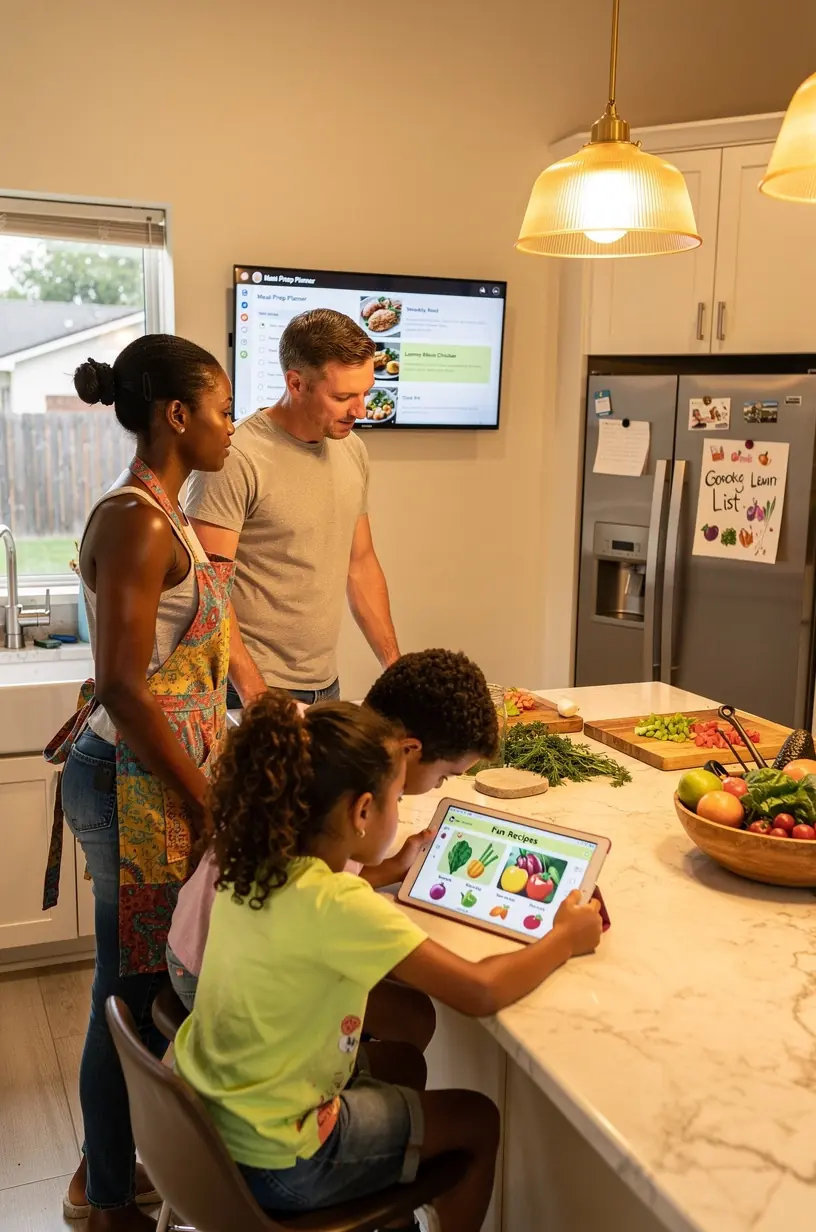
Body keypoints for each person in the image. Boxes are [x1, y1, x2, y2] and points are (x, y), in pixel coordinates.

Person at [173, 693, 602, 1232]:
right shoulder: (339, 904)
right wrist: (564, 938)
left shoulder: (256, 861)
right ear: (362, 811)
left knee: (403, 1065)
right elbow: (480, 991)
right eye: (397, 800)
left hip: (206, 1126)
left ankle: (391, 1198)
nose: (399, 814)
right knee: (476, 1119)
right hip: (277, 1160)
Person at [41, 334, 241, 1232]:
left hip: (153, 777)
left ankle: (110, 1170)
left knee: (136, 981)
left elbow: (180, 665)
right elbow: (125, 686)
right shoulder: (139, 521)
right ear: (177, 416)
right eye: (222, 409)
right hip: (131, 781)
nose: (229, 429)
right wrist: (206, 802)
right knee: (125, 992)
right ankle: (108, 1195)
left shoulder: (165, 514)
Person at [164, 647, 499, 1038]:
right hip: (216, 977)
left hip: (194, 947)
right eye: (444, 776)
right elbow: (477, 990)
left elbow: (300, 886)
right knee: (406, 1014)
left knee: (409, 1015)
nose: (436, 788)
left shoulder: (312, 738)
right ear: (410, 751)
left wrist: (391, 868)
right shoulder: (341, 788)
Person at [185, 307, 399, 708]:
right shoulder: (234, 458)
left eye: (365, 392)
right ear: (296, 384)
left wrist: (395, 666)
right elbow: (208, 591)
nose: (361, 410)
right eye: (342, 397)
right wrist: (257, 695)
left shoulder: (351, 449)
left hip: (325, 687)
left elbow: (362, 564)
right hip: (245, 690)